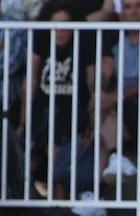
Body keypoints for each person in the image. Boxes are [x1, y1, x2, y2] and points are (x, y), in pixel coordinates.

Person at [22, 0, 98, 201]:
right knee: (39, 129)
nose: (60, 31)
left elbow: (92, 79)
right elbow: (31, 78)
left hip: (74, 107)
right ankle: (31, 194)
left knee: (58, 127)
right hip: (44, 107)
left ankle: (56, 200)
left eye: (65, 24)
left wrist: (95, 97)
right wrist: (23, 121)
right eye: (55, 25)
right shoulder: (41, 41)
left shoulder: (83, 42)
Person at [93, 0, 140, 181]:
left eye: (139, 6)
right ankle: (116, 158)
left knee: (103, 119)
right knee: (98, 108)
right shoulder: (114, 35)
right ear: (120, 12)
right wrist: (100, 93)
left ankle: (97, 188)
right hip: (120, 105)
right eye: (127, 7)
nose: (133, 12)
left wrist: (113, 98)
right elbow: (104, 72)